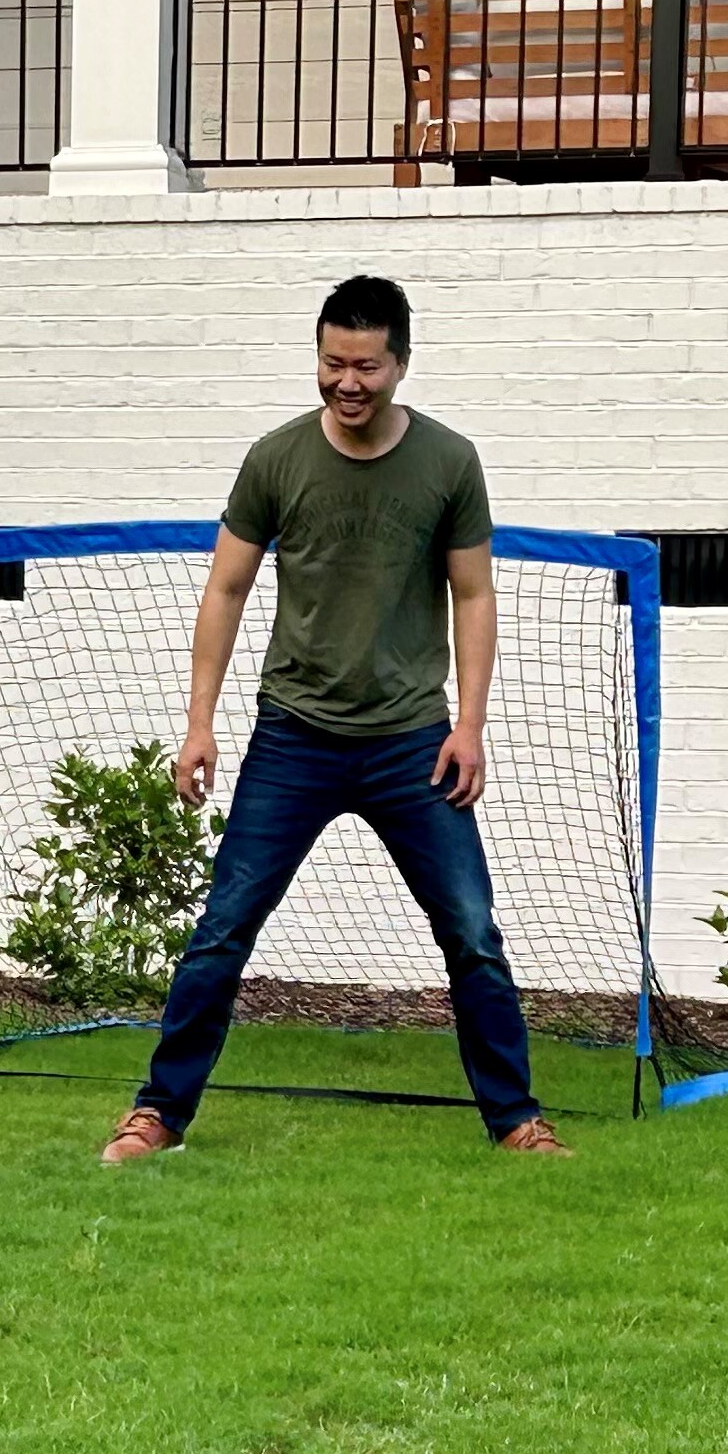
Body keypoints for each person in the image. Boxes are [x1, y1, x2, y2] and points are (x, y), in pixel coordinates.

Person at [103, 274, 567, 1163]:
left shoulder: (448, 462)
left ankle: (516, 1121)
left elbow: (473, 595)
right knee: (222, 931)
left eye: (365, 366)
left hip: (412, 746)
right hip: (292, 738)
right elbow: (226, 587)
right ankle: (158, 1114)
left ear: (399, 363)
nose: (346, 383)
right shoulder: (275, 460)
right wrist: (198, 723)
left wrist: (467, 726)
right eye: (331, 363)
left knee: (471, 934)